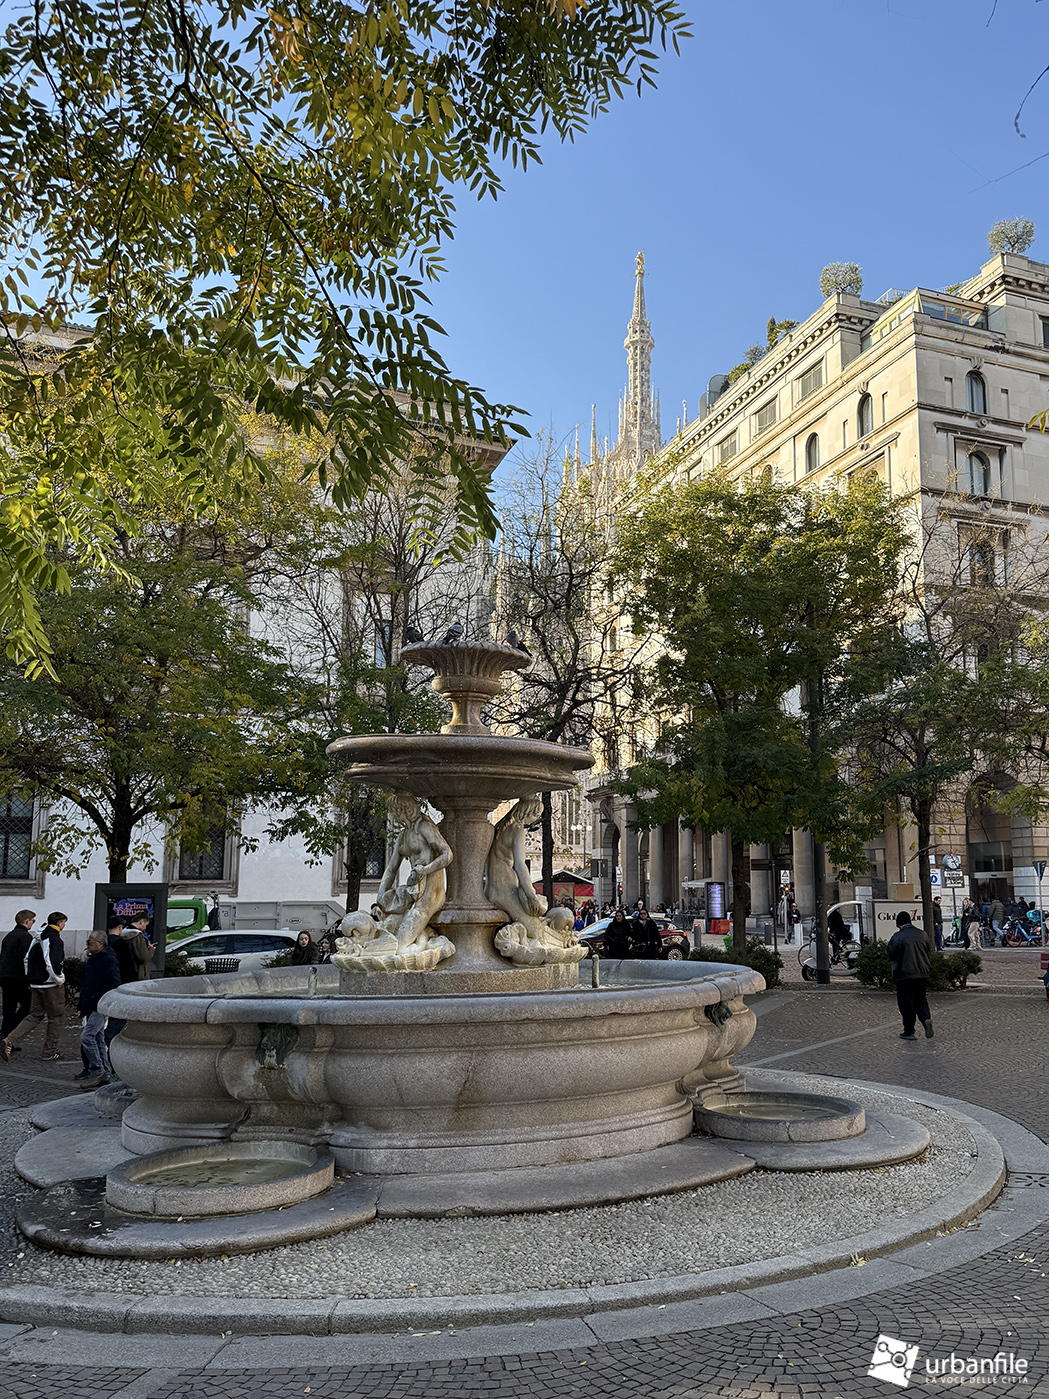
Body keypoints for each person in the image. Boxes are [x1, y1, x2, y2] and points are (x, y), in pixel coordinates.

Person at [1, 911, 67, 1062]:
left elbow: (27, 959)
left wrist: (30, 977)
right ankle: (49, 1051)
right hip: (49, 984)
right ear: (59, 923)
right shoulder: (53, 938)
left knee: (34, 1014)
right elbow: (53, 962)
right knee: (56, 1017)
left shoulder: (37, 937)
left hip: (34, 982)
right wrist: (59, 979)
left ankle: (9, 1039)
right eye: (64, 923)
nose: (64, 926)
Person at [78, 931, 121, 1089]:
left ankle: (98, 1070)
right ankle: (105, 1071)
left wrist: (97, 998)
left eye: (91, 942)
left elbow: (113, 982)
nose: (88, 945)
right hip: (93, 1003)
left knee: (88, 1036)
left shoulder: (107, 960)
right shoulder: (95, 958)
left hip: (99, 1004)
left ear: (100, 944)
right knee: (97, 1037)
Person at [886, 910, 933, 1041]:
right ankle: (926, 1019)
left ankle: (909, 1031)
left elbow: (890, 953)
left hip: (904, 973)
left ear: (898, 923)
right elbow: (928, 950)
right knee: (921, 999)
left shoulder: (898, 936)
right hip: (922, 973)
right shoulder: (923, 934)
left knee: (906, 1003)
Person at [0, 909, 35, 1041]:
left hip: (5, 976)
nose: (33, 924)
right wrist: (29, 979)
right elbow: (26, 960)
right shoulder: (25, 937)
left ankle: (5, 1036)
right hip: (17, 977)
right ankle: (8, 1033)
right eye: (32, 921)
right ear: (26, 921)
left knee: (9, 1008)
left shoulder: (9, 936)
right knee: (28, 1006)